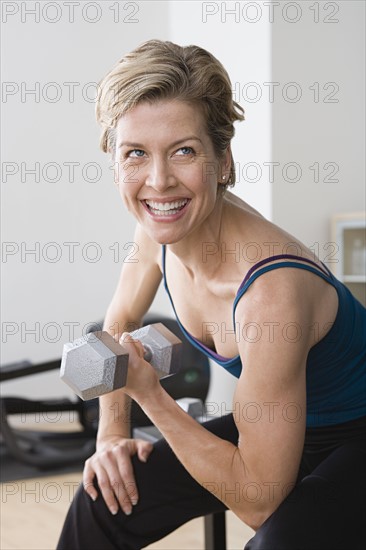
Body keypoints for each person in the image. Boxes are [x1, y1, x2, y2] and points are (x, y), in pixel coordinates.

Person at [57, 39, 366, 550]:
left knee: (276, 541)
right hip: (277, 426)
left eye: (184, 151)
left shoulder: (272, 293)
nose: (158, 182)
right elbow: (118, 322)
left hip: (356, 434)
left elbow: (259, 501)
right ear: (115, 163)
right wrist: (111, 435)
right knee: (104, 497)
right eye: (136, 153)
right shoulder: (156, 233)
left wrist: (149, 395)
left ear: (223, 159)